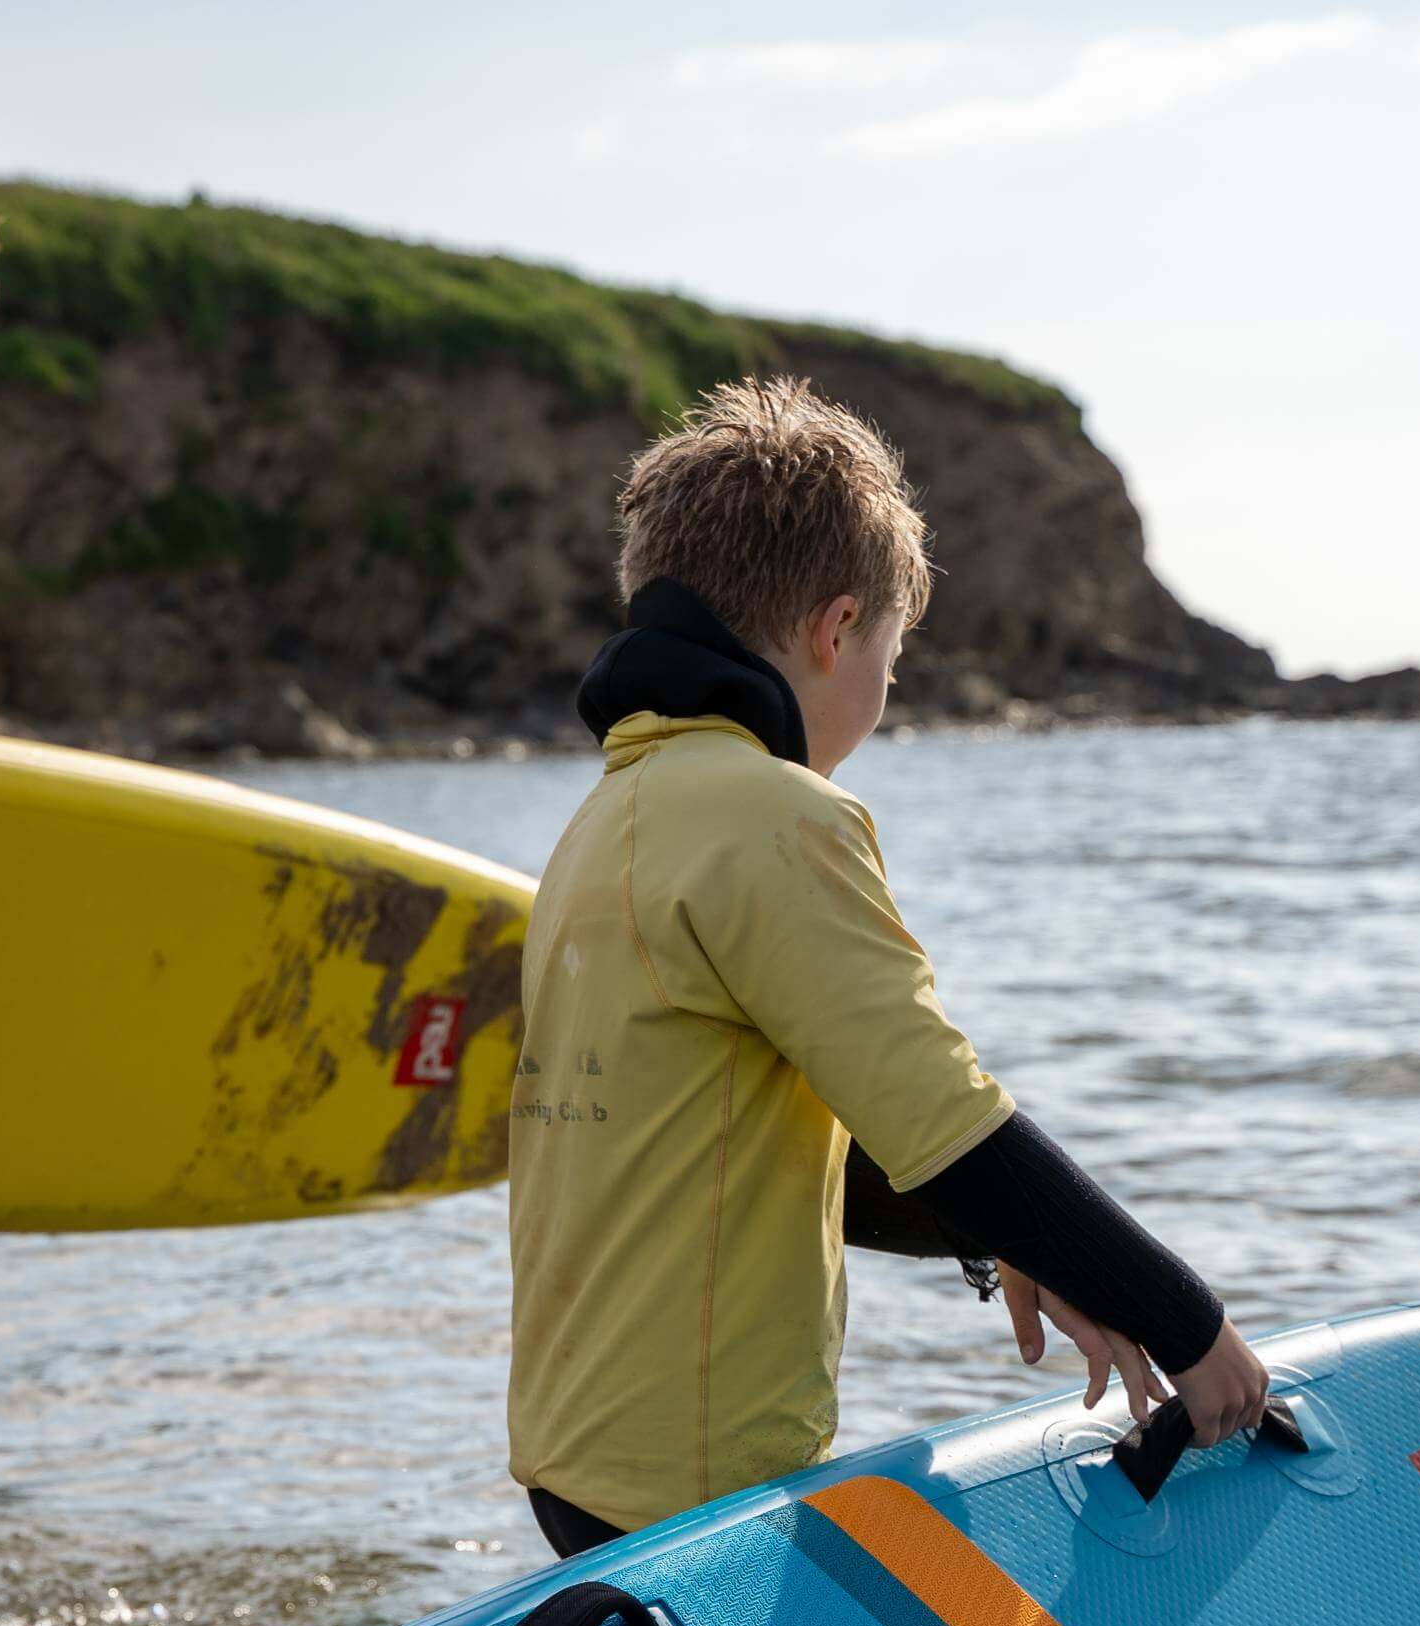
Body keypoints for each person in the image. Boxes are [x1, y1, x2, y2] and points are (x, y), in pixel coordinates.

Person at [507, 377, 1268, 1556]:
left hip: (581, 1456)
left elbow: (784, 1152)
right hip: (701, 1491)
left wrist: (1017, 1241)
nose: (884, 693)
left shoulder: (608, 820)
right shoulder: (778, 816)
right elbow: (950, 1118)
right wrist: (1189, 1323)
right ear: (836, 627)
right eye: (889, 658)